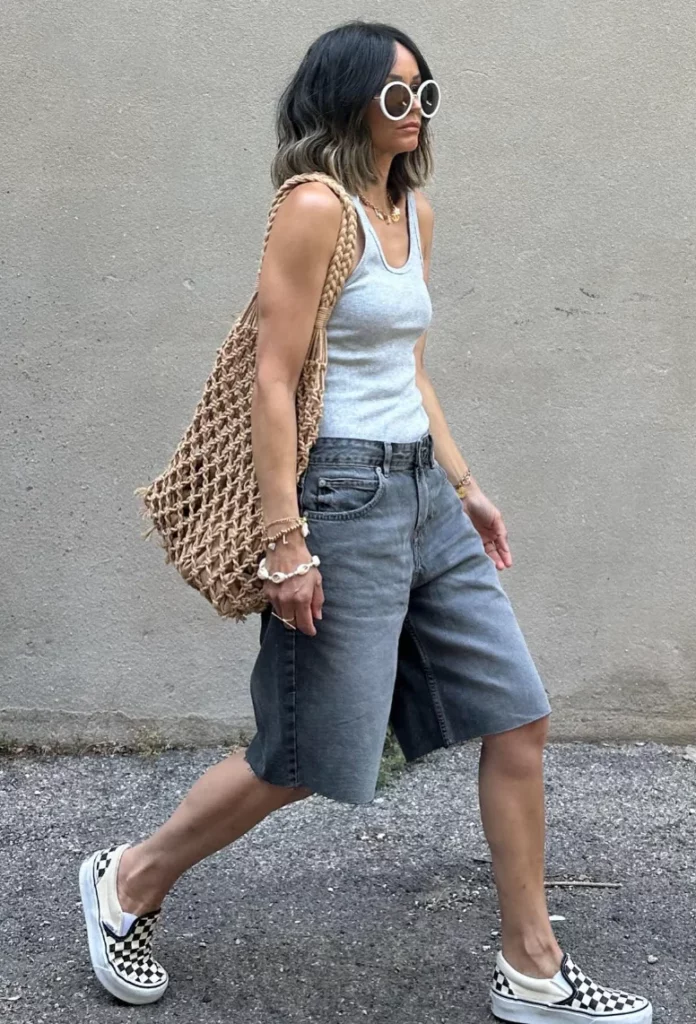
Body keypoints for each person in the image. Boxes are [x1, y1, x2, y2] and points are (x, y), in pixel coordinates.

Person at [79, 21, 652, 1023]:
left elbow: (408, 371)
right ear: (347, 100)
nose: (415, 113)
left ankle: (532, 965)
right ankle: (129, 877)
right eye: (396, 96)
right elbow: (273, 373)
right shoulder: (313, 207)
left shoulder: (412, 213)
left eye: (425, 95)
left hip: (423, 491)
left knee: (519, 712)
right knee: (312, 755)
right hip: (338, 497)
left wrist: (468, 485)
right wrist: (284, 538)